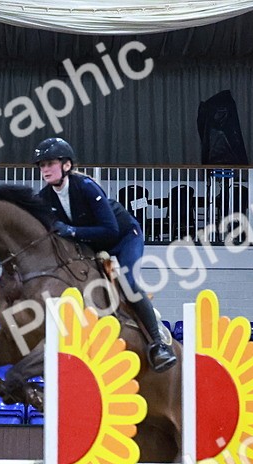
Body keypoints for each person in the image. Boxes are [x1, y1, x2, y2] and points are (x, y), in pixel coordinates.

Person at [33, 137, 176, 372]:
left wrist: (72, 231)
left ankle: (158, 343)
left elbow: (110, 230)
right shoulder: (44, 197)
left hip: (123, 237)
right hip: (90, 244)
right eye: (41, 165)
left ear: (66, 165)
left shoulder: (86, 186)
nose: (44, 169)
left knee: (128, 284)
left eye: (49, 163)